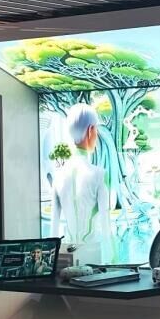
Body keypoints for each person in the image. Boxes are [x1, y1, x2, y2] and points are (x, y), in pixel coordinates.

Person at [50, 104, 111, 260]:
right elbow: (106, 227)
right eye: (96, 129)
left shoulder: (58, 175)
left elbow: (53, 229)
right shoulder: (99, 174)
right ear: (90, 131)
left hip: (66, 254)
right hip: (93, 254)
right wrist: (112, 263)